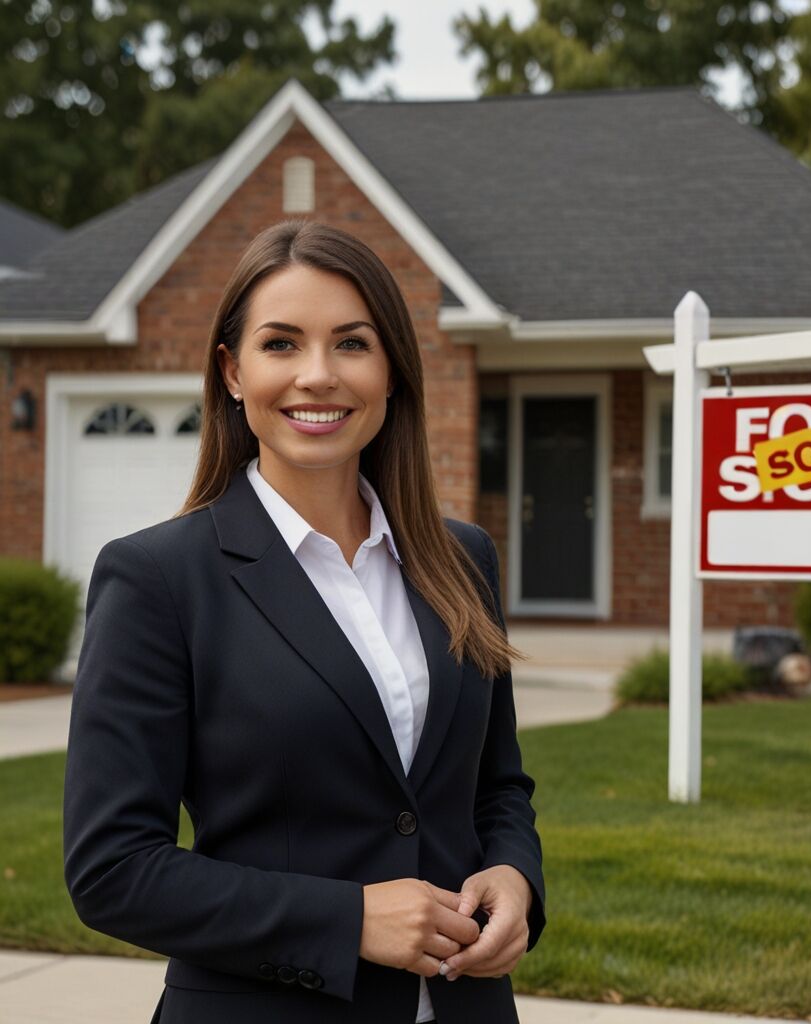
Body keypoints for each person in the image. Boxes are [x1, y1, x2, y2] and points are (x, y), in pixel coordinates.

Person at [62, 220, 545, 1024]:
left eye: (352, 344)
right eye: (281, 344)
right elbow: (113, 869)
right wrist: (347, 922)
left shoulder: (462, 558)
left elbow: (497, 787)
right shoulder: (157, 579)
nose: (318, 376)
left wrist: (515, 875)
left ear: (391, 371)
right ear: (233, 372)